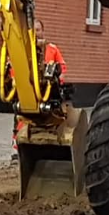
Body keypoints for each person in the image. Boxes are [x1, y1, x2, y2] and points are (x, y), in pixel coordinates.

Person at [11, 20, 67, 160]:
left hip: (48, 89)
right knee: (22, 117)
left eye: (38, 30)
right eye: (33, 30)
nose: (36, 33)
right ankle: (17, 146)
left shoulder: (52, 49)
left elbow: (62, 69)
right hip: (28, 88)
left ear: (43, 31)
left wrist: (58, 82)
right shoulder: (24, 51)